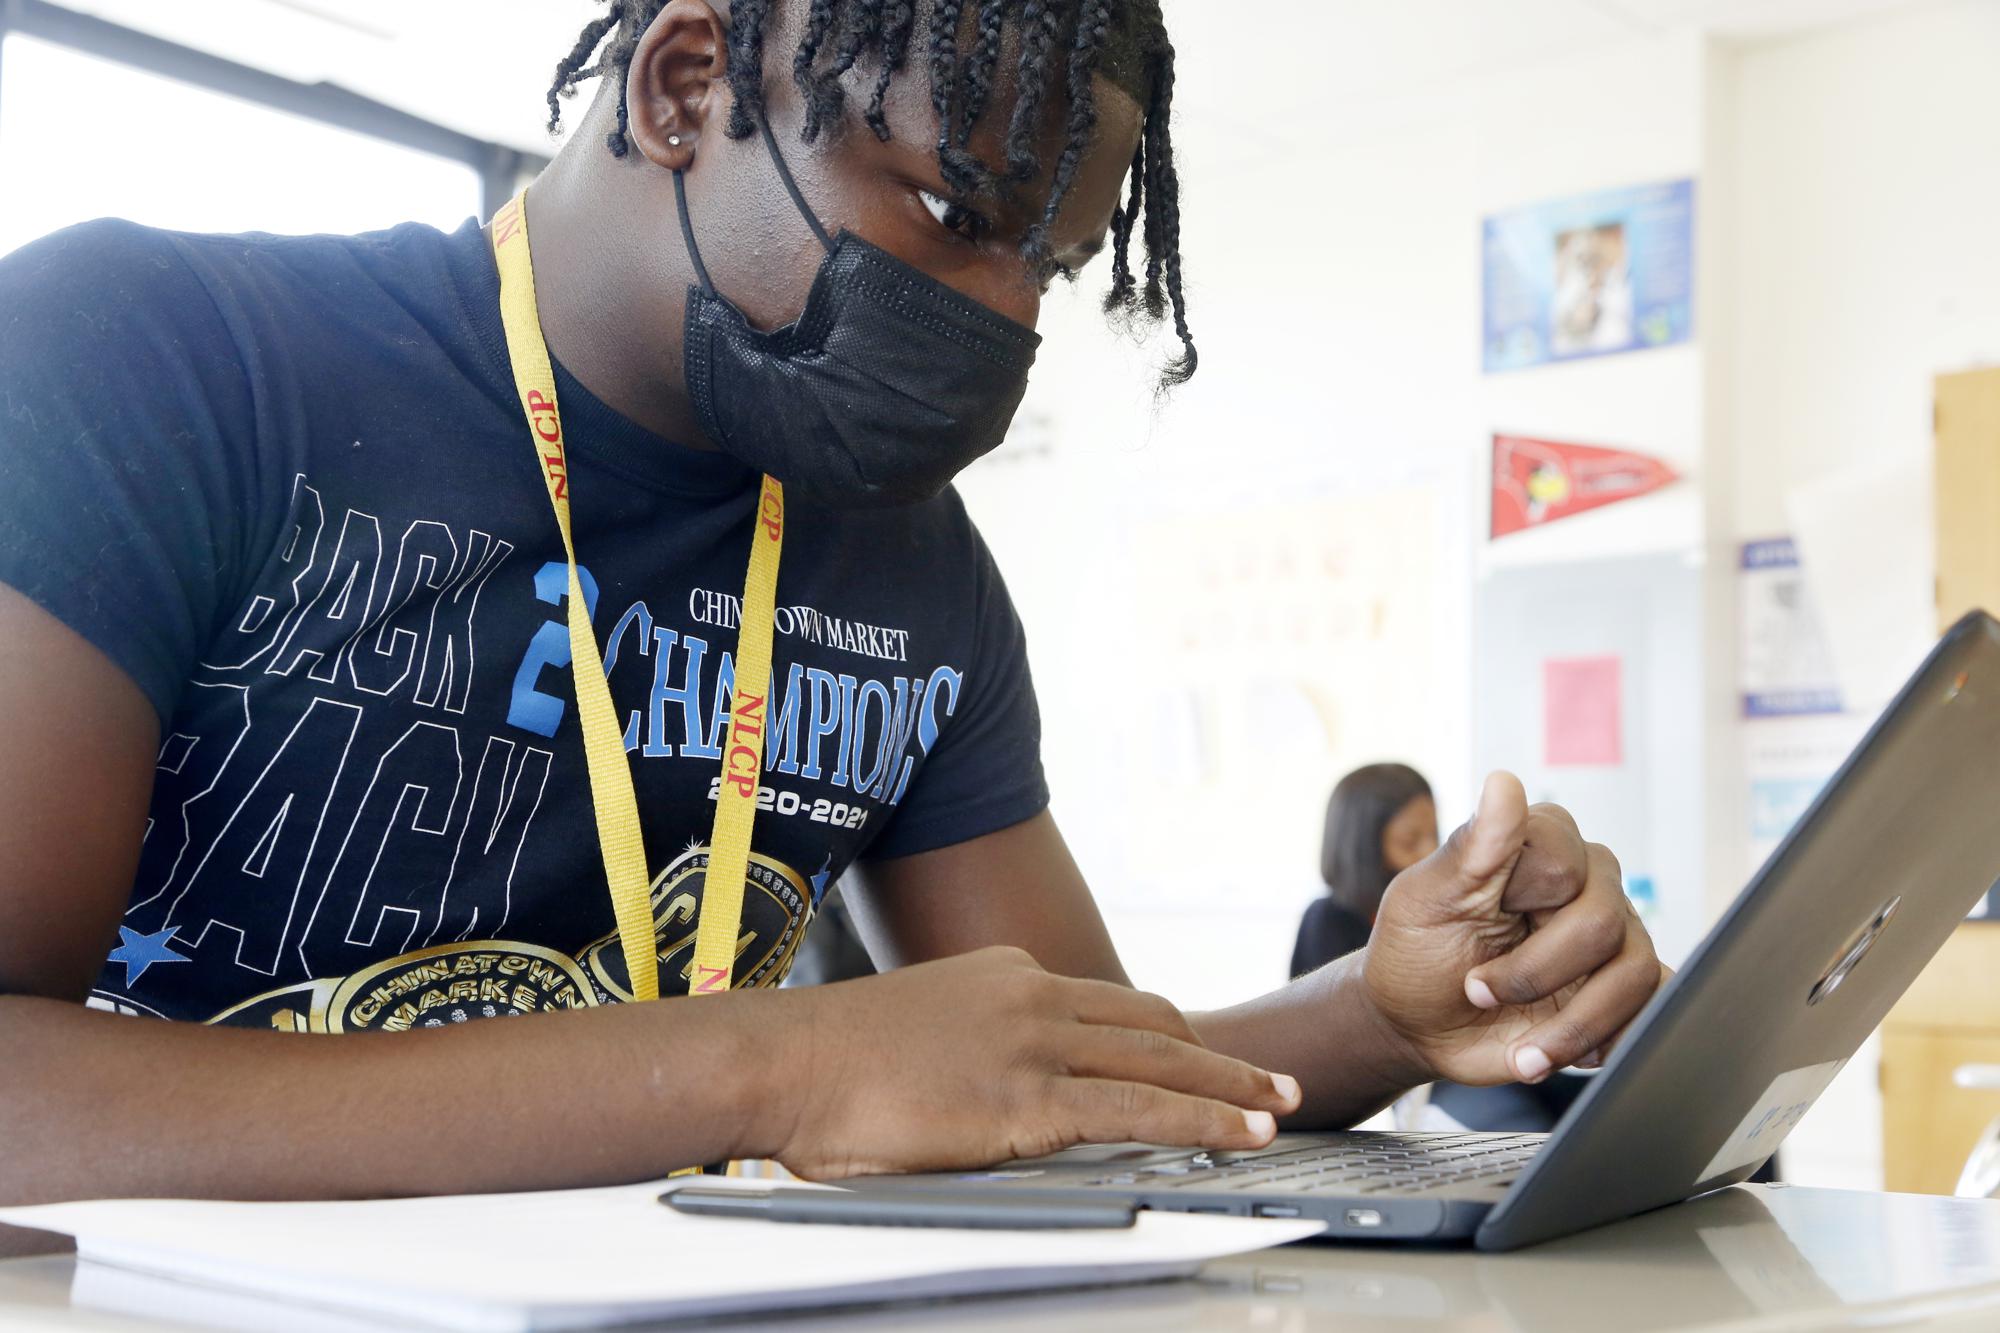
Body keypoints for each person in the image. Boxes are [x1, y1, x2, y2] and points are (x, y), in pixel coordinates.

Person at [0, 0, 1667, 1206]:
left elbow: (1072, 1084)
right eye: (954, 213)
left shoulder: (907, 560)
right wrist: (776, 1063)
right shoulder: (149, 361)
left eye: (1050, 265)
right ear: (683, 82)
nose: (1006, 321)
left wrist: (1378, 1012)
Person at [1291, 764, 1439, 980]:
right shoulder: (1327, 921)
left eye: (1434, 834)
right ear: (1363, 848)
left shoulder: (1428, 912)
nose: (1432, 852)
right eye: (1409, 842)